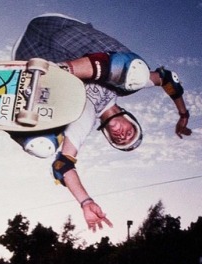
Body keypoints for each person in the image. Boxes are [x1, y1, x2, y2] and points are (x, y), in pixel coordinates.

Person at [11, 14, 192, 232]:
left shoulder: (86, 116)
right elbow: (167, 78)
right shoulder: (123, 89)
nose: (123, 135)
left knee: (45, 146)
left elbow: (62, 166)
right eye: (130, 133)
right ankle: (59, 73)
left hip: (29, 56)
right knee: (134, 74)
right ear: (129, 118)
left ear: (108, 136)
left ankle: (20, 105)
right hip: (60, 31)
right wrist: (183, 114)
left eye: (120, 140)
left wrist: (86, 202)